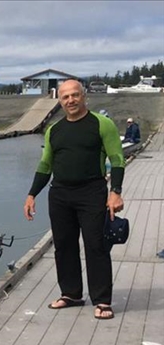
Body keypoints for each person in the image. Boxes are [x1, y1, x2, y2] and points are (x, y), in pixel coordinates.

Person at [23, 79, 125, 320]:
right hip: (60, 194)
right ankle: (71, 293)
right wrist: (31, 194)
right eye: (65, 97)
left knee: (95, 245)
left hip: (92, 192)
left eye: (74, 95)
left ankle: (102, 300)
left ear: (84, 96)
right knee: (64, 245)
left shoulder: (102, 124)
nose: (70, 100)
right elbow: (45, 165)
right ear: (60, 100)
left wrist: (116, 191)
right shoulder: (54, 130)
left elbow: (117, 158)